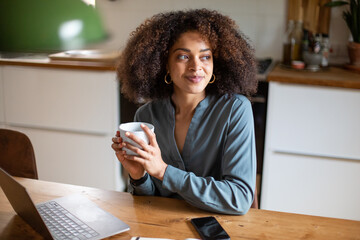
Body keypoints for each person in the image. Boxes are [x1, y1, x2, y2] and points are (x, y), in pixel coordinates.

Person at [112, 8, 258, 215]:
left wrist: (163, 171)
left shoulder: (235, 110)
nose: (196, 66)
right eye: (183, 56)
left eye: (205, 57)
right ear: (165, 64)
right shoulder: (146, 116)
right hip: (162, 229)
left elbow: (239, 198)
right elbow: (147, 205)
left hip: (217, 228)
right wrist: (138, 176)